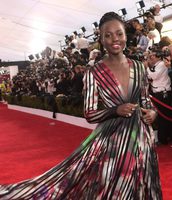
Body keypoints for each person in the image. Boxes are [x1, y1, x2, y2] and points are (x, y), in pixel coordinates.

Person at [0, 12, 162, 199]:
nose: (114, 39)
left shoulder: (139, 67)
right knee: (116, 189)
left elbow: (146, 100)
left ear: (126, 35)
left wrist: (153, 112)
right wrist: (114, 110)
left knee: (142, 185)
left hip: (141, 138)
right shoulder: (94, 72)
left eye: (118, 33)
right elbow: (90, 114)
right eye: (107, 35)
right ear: (101, 40)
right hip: (112, 142)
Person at [146, 47, 172, 144]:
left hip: (163, 93)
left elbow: (153, 76)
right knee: (164, 116)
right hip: (158, 93)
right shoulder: (157, 65)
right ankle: (170, 137)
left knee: (164, 117)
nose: (151, 57)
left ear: (158, 56)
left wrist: (147, 67)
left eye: (152, 55)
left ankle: (164, 139)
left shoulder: (162, 64)